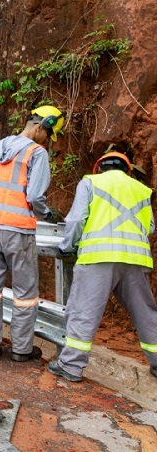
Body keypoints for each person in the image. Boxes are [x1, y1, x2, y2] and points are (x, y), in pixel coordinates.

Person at [48, 152, 157, 382]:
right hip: (135, 260)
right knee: (146, 313)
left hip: (98, 257)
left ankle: (70, 366)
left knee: (83, 311)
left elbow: (77, 219)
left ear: (100, 168)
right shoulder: (141, 190)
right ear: (127, 170)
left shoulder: (90, 182)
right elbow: (149, 228)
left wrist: (67, 247)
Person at [0, 105, 65, 363]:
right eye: (49, 135)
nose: (48, 142)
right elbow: (35, 197)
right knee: (25, 293)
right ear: (41, 126)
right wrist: (48, 215)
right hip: (17, 229)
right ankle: (21, 349)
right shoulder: (36, 153)